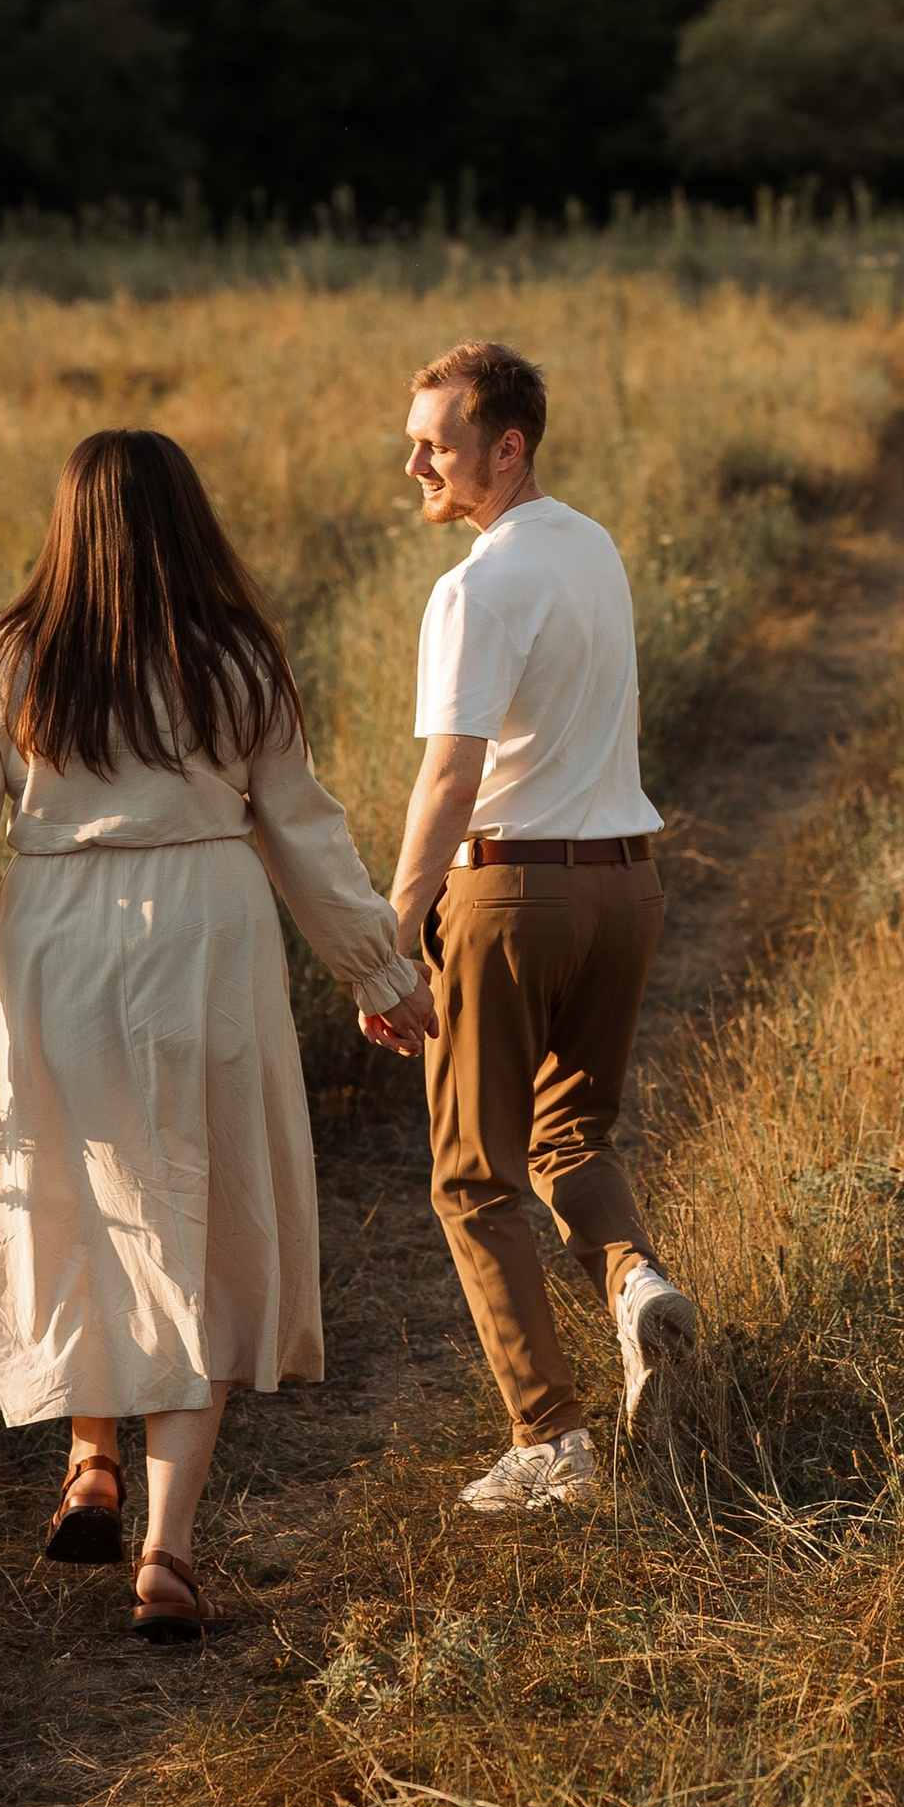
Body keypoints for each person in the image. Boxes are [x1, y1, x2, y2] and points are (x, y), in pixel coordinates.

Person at [0, 427, 434, 1638]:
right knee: (192, 1219)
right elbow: (305, 830)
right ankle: (168, 1552)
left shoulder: (3, 662)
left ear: (68, 524)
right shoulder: (234, 658)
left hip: (55, 940)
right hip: (205, 936)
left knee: (76, 1196)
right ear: (185, 520)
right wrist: (379, 964)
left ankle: (90, 1459)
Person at [375, 338, 699, 1512]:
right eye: (415, 438)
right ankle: (636, 1282)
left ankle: (550, 1442)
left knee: (470, 1176)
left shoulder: (472, 585)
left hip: (511, 894)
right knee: (570, 1135)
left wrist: (393, 929)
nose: (415, 461)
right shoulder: (592, 544)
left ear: (505, 447)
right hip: (626, 884)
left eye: (439, 444)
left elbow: (450, 780)